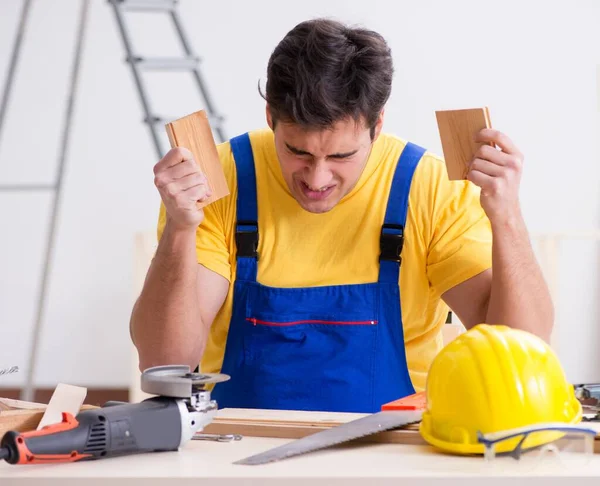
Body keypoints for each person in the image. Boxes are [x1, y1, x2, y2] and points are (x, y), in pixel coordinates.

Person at [129, 18, 554, 413]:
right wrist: (182, 230)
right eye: (297, 151)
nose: (317, 178)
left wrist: (508, 218)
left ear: (377, 125)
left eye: (342, 155)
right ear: (270, 118)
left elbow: (521, 351)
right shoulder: (216, 180)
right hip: (240, 444)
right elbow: (167, 361)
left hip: (391, 450)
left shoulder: (430, 187)